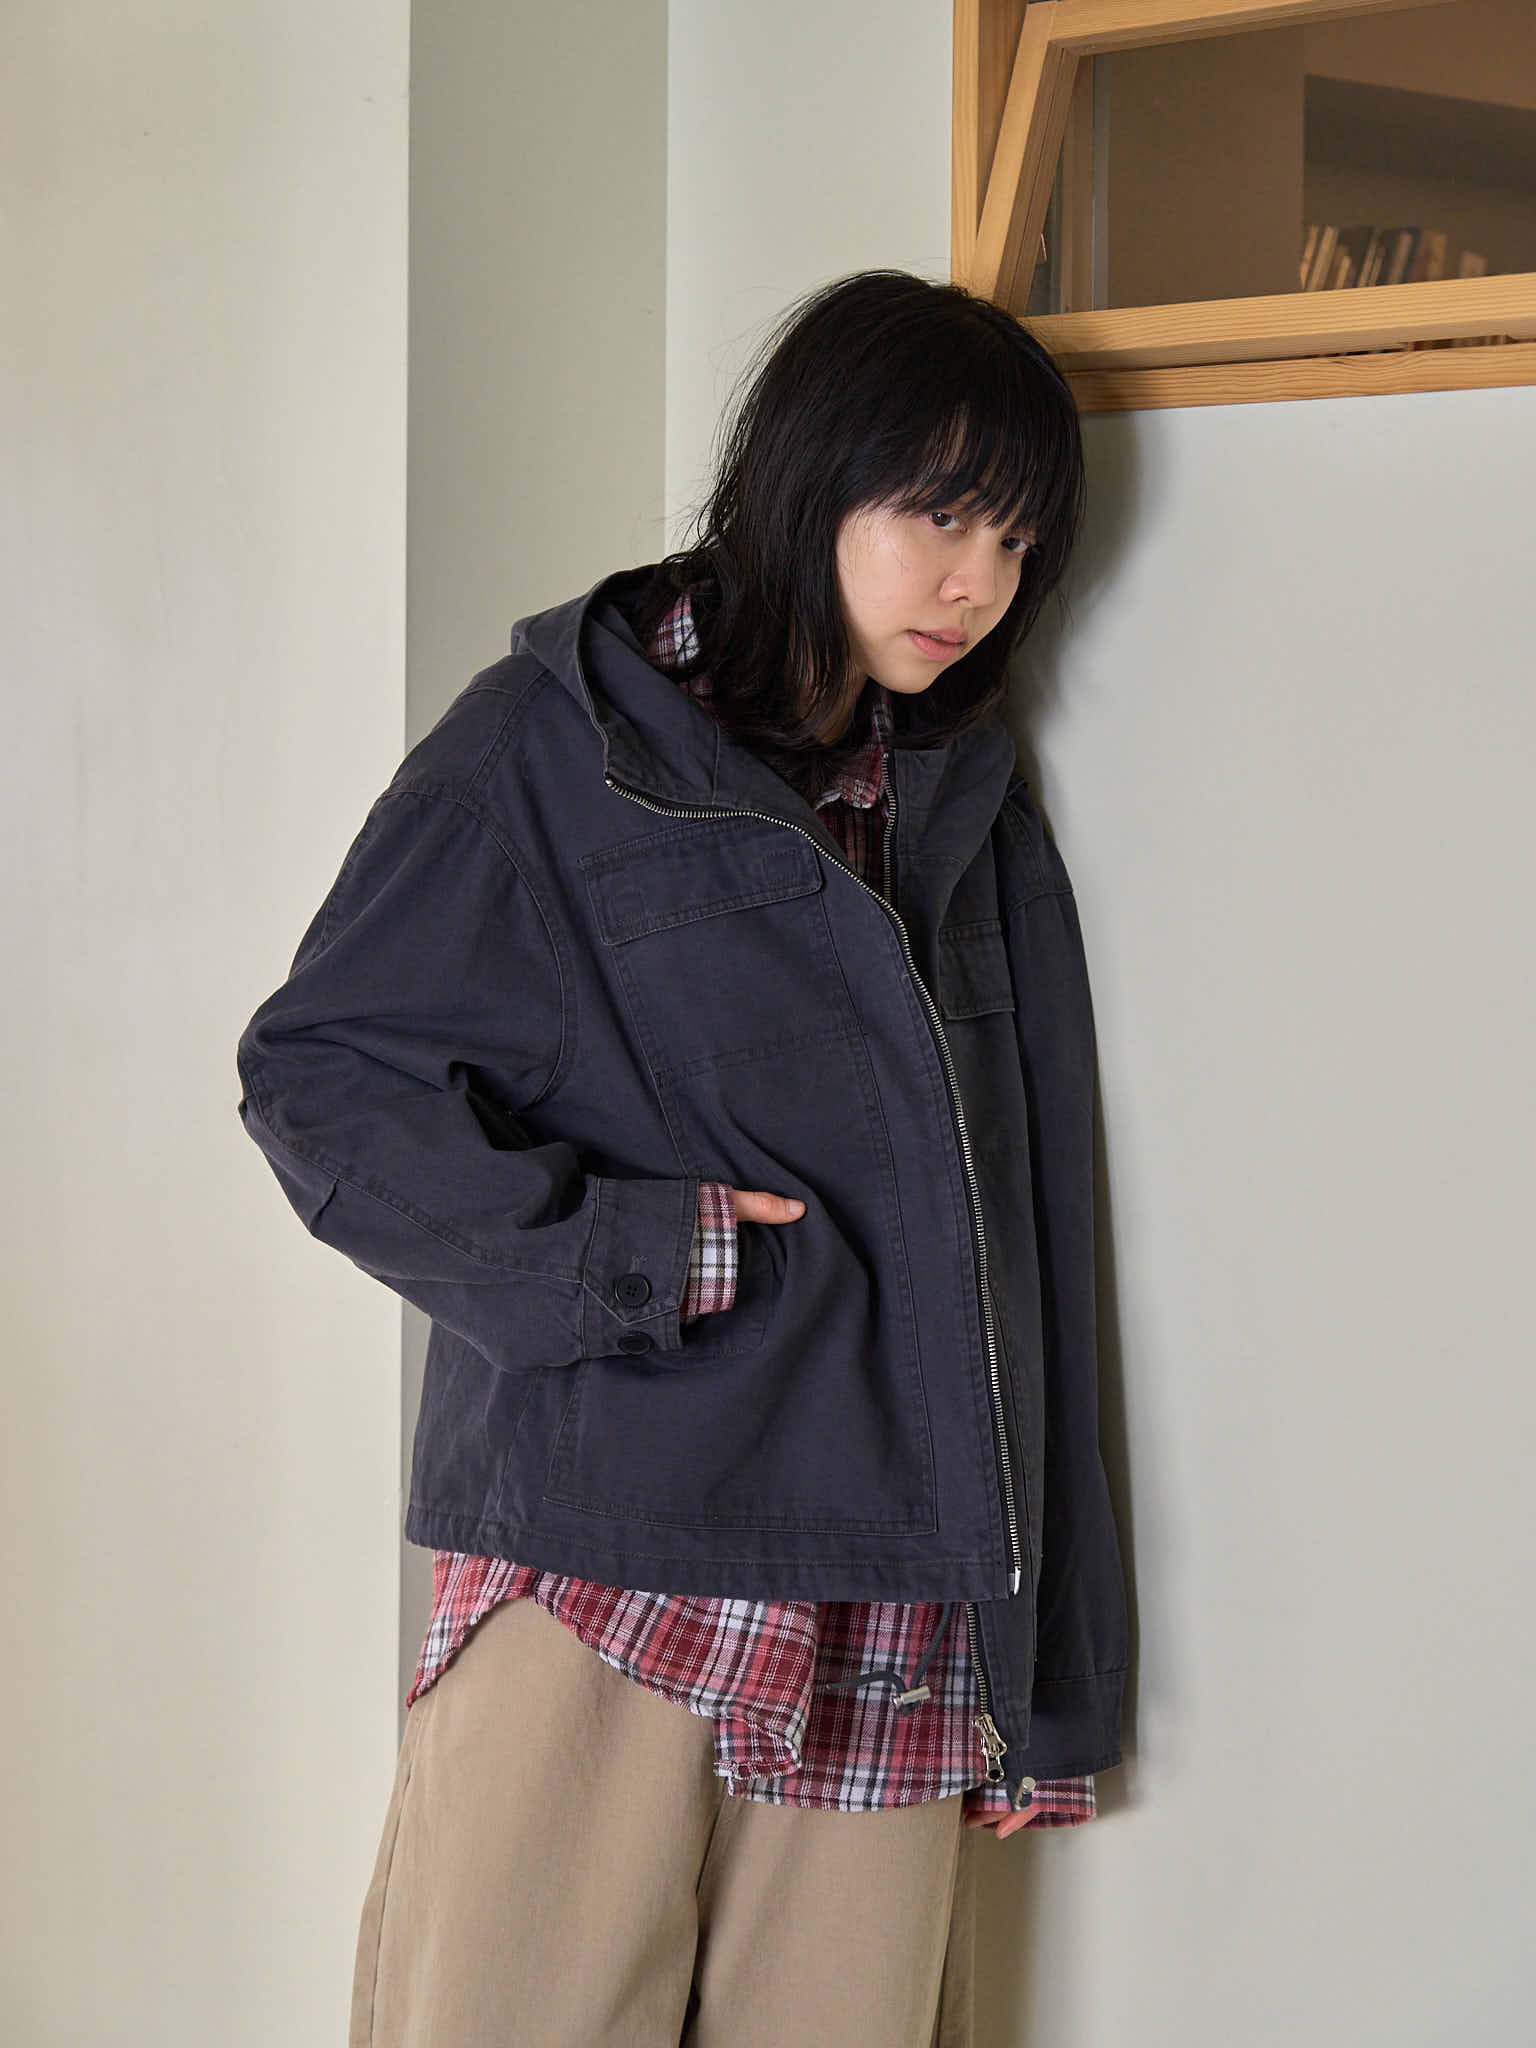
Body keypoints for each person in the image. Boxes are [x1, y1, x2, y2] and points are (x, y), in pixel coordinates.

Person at [236, 269, 1128, 2048]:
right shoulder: (552, 745)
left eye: (1017, 541)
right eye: (938, 514)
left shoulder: (967, 800)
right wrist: (639, 1258)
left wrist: (1052, 1687)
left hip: (890, 1586)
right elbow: (320, 1076)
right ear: (808, 482)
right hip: (607, 1557)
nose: (977, 582)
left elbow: (1033, 1236)